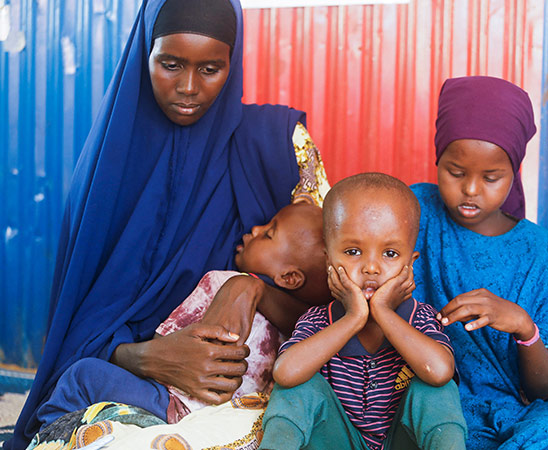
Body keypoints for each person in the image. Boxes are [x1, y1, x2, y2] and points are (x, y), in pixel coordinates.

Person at [8, 0, 329, 447]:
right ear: (145, 54)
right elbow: (77, 325)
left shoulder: (274, 147)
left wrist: (246, 286)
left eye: (211, 69)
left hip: (244, 399)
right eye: (171, 64)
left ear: (232, 65)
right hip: (124, 383)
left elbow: (333, 306)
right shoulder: (105, 171)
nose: (188, 87)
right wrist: (145, 358)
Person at [410, 76, 548, 449]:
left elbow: (543, 390)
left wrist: (524, 327)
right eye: (455, 172)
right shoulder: (415, 212)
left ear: (514, 172)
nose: (471, 189)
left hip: (532, 408)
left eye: (491, 177)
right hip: (444, 400)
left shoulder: (539, 253)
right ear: (437, 158)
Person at [34, 203, 330, 429]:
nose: (254, 229)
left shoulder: (221, 281)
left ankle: (48, 436)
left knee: (82, 375)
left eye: (268, 233)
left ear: (289, 278)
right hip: (233, 424)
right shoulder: (308, 327)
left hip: (172, 406)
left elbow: (165, 342)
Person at [260, 173, 467, 450]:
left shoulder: (421, 318)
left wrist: (383, 312)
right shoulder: (317, 320)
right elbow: (285, 374)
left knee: (435, 390)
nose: (371, 267)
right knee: (298, 387)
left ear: (411, 264)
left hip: (401, 443)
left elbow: (440, 371)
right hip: (337, 441)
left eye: (390, 254)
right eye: (353, 251)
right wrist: (354, 318)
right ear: (328, 260)